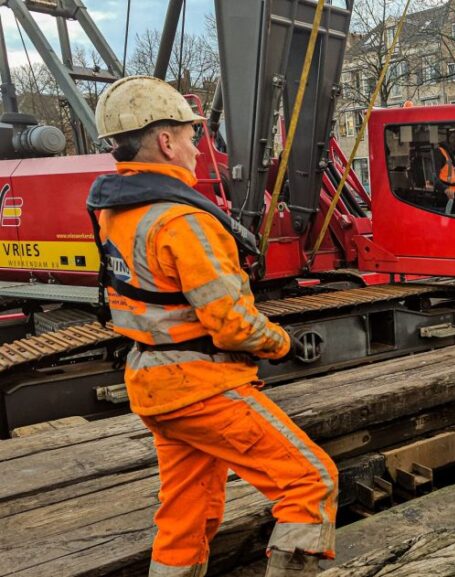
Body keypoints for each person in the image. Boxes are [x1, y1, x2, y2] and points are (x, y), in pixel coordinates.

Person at [86, 76, 338, 577]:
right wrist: (282, 342)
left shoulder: (115, 211)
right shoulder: (184, 222)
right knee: (311, 481)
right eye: (190, 135)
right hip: (200, 384)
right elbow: (232, 325)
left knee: (188, 515)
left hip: (154, 385)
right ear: (165, 142)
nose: (197, 147)